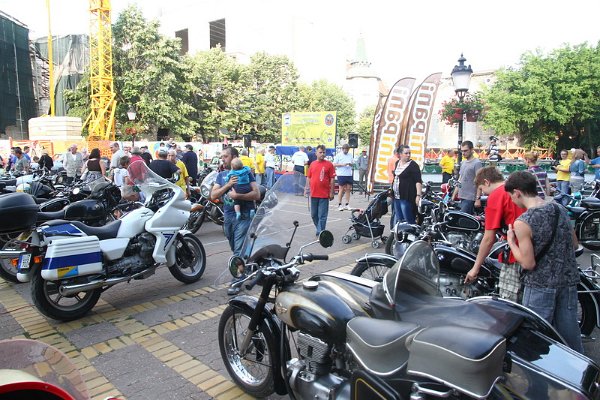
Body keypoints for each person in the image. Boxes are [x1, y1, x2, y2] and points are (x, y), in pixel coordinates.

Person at [505, 170, 583, 353]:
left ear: (517, 192)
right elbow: (574, 244)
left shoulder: (524, 222)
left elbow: (528, 263)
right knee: (570, 336)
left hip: (540, 285)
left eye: (511, 196)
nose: (512, 200)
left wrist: (511, 242)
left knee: (535, 341)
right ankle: (580, 370)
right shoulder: (559, 209)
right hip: (568, 281)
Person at [464, 167, 525, 302]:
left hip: (516, 253)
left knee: (509, 301)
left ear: (487, 182)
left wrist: (475, 268)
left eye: (482, 189)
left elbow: (488, 238)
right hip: (529, 250)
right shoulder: (515, 189)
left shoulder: (496, 196)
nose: (483, 193)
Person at [211, 146, 260, 256]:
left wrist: (237, 196)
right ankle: (245, 262)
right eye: (222, 157)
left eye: (225, 156)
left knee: (238, 250)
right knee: (234, 246)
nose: (222, 159)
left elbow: (257, 194)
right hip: (228, 215)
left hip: (244, 215)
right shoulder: (221, 175)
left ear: (234, 157)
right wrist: (228, 185)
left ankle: (240, 265)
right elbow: (213, 195)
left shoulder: (246, 173)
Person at [304, 144, 335, 236]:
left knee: (322, 215)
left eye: (324, 152)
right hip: (313, 193)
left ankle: (321, 232)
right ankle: (320, 229)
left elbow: (332, 179)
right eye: (320, 152)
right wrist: (306, 188)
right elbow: (308, 177)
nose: (322, 154)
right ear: (316, 153)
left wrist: (331, 192)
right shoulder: (312, 164)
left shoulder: (329, 165)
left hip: (324, 194)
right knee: (314, 215)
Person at [390, 145, 422, 225]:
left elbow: (418, 181)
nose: (408, 155)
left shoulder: (413, 165)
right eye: (406, 153)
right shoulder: (397, 163)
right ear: (400, 154)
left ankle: (411, 232)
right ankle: (401, 232)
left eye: (409, 153)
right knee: (399, 219)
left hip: (407, 197)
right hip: (396, 196)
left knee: (408, 219)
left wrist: (418, 195)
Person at [454, 140, 482, 215]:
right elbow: (460, 179)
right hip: (461, 196)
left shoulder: (477, 163)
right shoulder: (463, 163)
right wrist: (454, 195)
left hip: (470, 197)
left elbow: (480, 181)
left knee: (462, 218)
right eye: (462, 151)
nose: (463, 153)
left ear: (472, 150)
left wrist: (478, 199)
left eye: (465, 151)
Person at [333, 143, 354, 210]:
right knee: (341, 189)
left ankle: (347, 204)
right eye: (345, 150)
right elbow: (334, 164)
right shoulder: (338, 155)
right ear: (342, 149)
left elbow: (353, 163)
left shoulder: (350, 155)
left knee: (348, 189)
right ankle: (339, 204)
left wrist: (350, 164)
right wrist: (342, 165)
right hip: (341, 174)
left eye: (347, 150)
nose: (346, 151)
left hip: (349, 174)